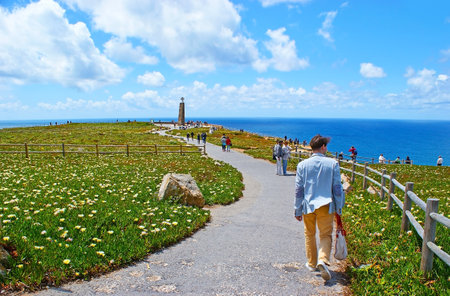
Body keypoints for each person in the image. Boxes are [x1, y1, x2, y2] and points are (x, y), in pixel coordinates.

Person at [295, 135, 345, 281]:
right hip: (326, 204)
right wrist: (339, 206)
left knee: (309, 234)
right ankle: (322, 260)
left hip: (308, 205)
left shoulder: (302, 165)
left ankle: (311, 263)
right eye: (326, 146)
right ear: (323, 147)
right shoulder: (332, 163)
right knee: (325, 235)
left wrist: (297, 209)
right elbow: (337, 188)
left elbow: (299, 189)